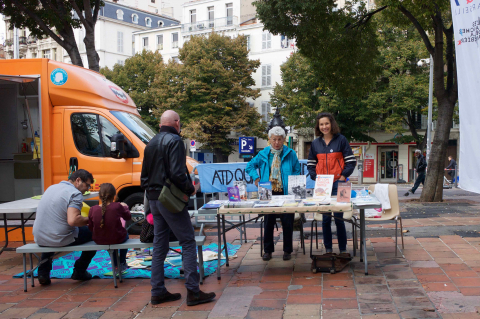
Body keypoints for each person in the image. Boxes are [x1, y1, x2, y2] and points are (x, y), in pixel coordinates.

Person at [141, 110, 215, 306]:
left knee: (160, 244)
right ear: (176, 123)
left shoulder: (150, 143)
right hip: (170, 199)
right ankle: (193, 291)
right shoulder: (174, 141)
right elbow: (177, 173)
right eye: (179, 123)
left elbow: (144, 178)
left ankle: (157, 291)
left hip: (154, 199)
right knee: (188, 241)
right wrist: (190, 189)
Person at [246, 126, 301, 261]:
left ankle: (287, 250)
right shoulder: (263, 153)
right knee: (268, 222)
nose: (276, 142)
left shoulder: (291, 153)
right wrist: (256, 177)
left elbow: (297, 170)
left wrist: (294, 185)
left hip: (286, 192)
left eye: (279, 139)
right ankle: (268, 250)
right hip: (268, 191)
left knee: (288, 221)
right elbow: (250, 166)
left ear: (284, 140)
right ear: (269, 139)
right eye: (274, 139)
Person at [32, 169, 96, 285]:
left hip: (39, 237)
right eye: (87, 185)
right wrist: (92, 219)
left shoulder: (51, 188)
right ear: (78, 180)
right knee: (95, 234)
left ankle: (43, 272)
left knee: (53, 231)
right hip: (59, 238)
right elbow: (73, 220)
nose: (88, 189)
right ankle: (80, 271)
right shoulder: (75, 193)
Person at [307, 113, 356, 254]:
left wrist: (343, 176)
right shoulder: (316, 143)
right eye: (321, 124)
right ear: (318, 126)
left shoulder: (341, 140)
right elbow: (311, 164)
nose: (324, 127)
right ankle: (328, 250)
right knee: (325, 219)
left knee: (339, 219)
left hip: (341, 184)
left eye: (326, 123)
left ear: (332, 124)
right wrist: (316, 178)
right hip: (322, 186)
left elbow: (351, 161)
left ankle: (342, 249)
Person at [88, 183, 131, 273]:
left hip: (99, 240)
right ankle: (122, 262)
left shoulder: (93, 209)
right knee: (125, 235)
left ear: (99, 196)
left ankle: (115, 265)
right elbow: (128, 217)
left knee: (109, 236)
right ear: (114, 195)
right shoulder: (117, 206)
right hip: (117, 238)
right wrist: (125, 207)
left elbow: (91, 227)